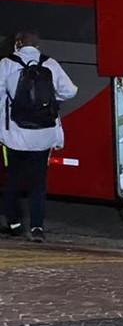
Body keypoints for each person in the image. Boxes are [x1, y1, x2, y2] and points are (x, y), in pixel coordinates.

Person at [0, 31, 78, 242]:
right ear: (38, 46)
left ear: (18, 44)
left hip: (15, 136)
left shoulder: (6, 64)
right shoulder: (50, 64)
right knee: (38, 184)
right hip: (44, 136)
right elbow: (70, 91)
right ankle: (37, 228)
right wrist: (53, 97)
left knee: (13, 181)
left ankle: (15, 224)